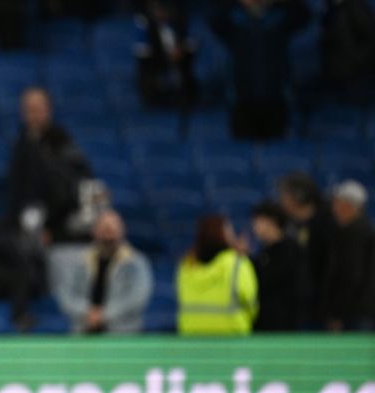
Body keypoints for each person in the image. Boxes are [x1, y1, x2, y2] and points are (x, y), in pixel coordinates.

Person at [209, 0, 310, 140]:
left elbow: (304, 16)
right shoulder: (232, 18)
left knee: (278, 151)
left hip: (276, 97)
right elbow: (213, 19)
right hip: (241, 98)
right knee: (240, 151)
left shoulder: (280, 18)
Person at [8, 87, 92, 244]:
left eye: (37, 110)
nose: (32, 116)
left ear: (48, 110)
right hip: (26, 222)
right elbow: (16, 188)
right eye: (28, 110)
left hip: (60, 228)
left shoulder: (62, 142)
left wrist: (51, 228)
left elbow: (72, 186)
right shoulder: (21, 143)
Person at [54, 210, 153, 333]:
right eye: (104, 229)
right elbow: (66, 295)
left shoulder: (136, 262)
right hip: (84, 331)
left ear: (122, 231)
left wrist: (104, 315)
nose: (108, 234)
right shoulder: (79, 261)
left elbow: (137, 298)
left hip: (123, 334)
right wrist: (87, 312)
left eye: (112, 229)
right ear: (94, 231)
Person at [176, 215, 258, 335]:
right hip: (233, 337)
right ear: (225, 235)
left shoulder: (186, 265)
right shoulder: (238, 263)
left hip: (191, 337)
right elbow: (251, 303)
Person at [278, 172, 334, 329]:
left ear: (299, 197)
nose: (282, 200)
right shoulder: (288, 225)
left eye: (286, 195)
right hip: (296, 307)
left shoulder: (326, 225)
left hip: (323, 307)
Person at [322, 180, 374, 331]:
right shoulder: (353, 230)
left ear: (350, 205)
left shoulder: (355, 232)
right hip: (356, 310)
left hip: (354, 312)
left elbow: (350, 275)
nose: (334, 208)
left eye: (338, 202)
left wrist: (337, 313)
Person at [134, 0, 198, 109]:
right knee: (148, 69)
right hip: (155, 57)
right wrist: (162, 55)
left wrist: (181, 50)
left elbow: (191, 42)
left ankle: (185, 95)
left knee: (185, 67)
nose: (161, 13)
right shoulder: (144, 21)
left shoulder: (180, 20)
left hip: (177, 54)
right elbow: (142, 49)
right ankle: (154, 96)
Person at [250, 201, 302, 331]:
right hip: (263, 322)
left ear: (272, 221)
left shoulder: (291, 250)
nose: (254, 226)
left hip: (284, 324)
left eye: (258, 221)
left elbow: (269, 280)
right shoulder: (264, 252)